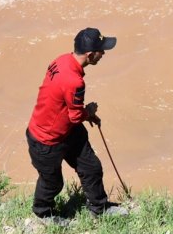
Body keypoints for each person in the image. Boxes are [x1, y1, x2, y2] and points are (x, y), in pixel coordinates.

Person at [26, 27, 126, 219]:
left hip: (67, 130)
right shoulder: (75, 81)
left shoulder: (62, 59)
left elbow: (68, 106)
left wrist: (85, 114)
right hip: (46, 140)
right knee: (52, 183)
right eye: (101, 50)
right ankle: (43, 214)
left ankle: (99, 208)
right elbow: (75, 115)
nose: (103, 53)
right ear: (90, 55)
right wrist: (89, 111)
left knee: (91, 168)